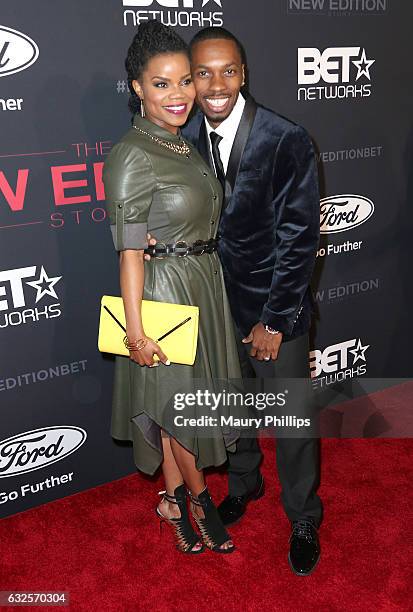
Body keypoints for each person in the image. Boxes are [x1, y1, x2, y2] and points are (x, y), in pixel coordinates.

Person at [181, 27, 322, 575]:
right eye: (203, 74)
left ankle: (304, 516)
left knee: (292, 422)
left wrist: (275, 320)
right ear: (190, 80)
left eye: (228, 71)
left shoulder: (285, 138)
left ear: (244, 73)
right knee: (232, 409)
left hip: (273, 313)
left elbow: (300, 238)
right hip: (216, 311)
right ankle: (244, 485)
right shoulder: (185, 139)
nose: (216, 85)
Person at [103, 21, 242, 555]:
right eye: (162, 84)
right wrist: (136, 333)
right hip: (163, 294)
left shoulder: (181, 144)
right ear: (137, 88)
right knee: (182, 409)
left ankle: (170, 501)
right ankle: (200, 502)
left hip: (203, 287)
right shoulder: (132, 153)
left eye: (185, 81)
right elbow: (130, 252)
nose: (180, 94)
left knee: (177, 408)